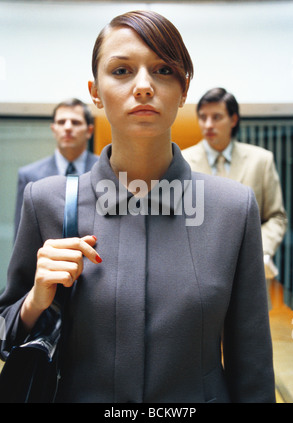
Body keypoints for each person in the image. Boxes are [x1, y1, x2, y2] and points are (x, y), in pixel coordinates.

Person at [0, 11, 275, 403]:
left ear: (183, 90)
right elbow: (6, 329)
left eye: (163, 70)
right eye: (122, 70)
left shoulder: (232, 208)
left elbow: (253, 368)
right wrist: (33, 301)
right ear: (95, 92)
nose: (144, 86)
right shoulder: (46, 201)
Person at [182, 87, 287, 279]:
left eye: (216, 117)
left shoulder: (261, 161)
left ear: (233, 120)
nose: (208, 125)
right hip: (198, 273)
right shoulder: (182, 162)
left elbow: (276, 217)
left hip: (250, 270)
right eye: (203, 117)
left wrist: (260, 250)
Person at [14, 98, 98, 238]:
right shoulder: (29, 176)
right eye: (61, 122)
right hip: (46, 258)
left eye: (75, 122)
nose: (68, 127)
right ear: (54, 129)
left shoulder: (107, 170)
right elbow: (21, 237)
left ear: (89, 131)